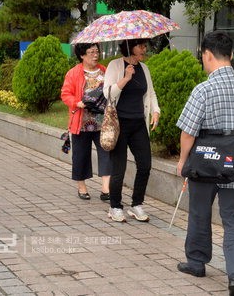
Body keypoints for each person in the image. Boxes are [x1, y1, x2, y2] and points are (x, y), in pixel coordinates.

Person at [176, 31, 234, 296]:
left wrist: (182, 161)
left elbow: (188, 132)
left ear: (207, 55)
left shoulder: (203, 89)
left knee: (200, 213)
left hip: (205, 164)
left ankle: (197, 263)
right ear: (231, 55)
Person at [103, 38, 160, 222]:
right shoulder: (115, 65)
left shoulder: (144, 69)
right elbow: (108, 94)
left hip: (138, 124)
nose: (144, 49)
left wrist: (155, 111)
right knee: (119, 168)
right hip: (119, 124)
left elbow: (150, 92)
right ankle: (115, 206)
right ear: (130, 46)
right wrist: (125, 78)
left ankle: (137, 204)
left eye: (145, 46)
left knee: (145, 165)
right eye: (141, 45)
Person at [61, 43, 111, 201]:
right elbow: (65, 94)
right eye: (91, 52)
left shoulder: (104, 70)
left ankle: (106, 189)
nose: (95, 55)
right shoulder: (74, 73)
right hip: (81, 122)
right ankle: (81, 187)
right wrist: (77, 103)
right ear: (82, 55)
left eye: (97, 51)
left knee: (107, 153)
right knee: (81, 155)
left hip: (101, 121)